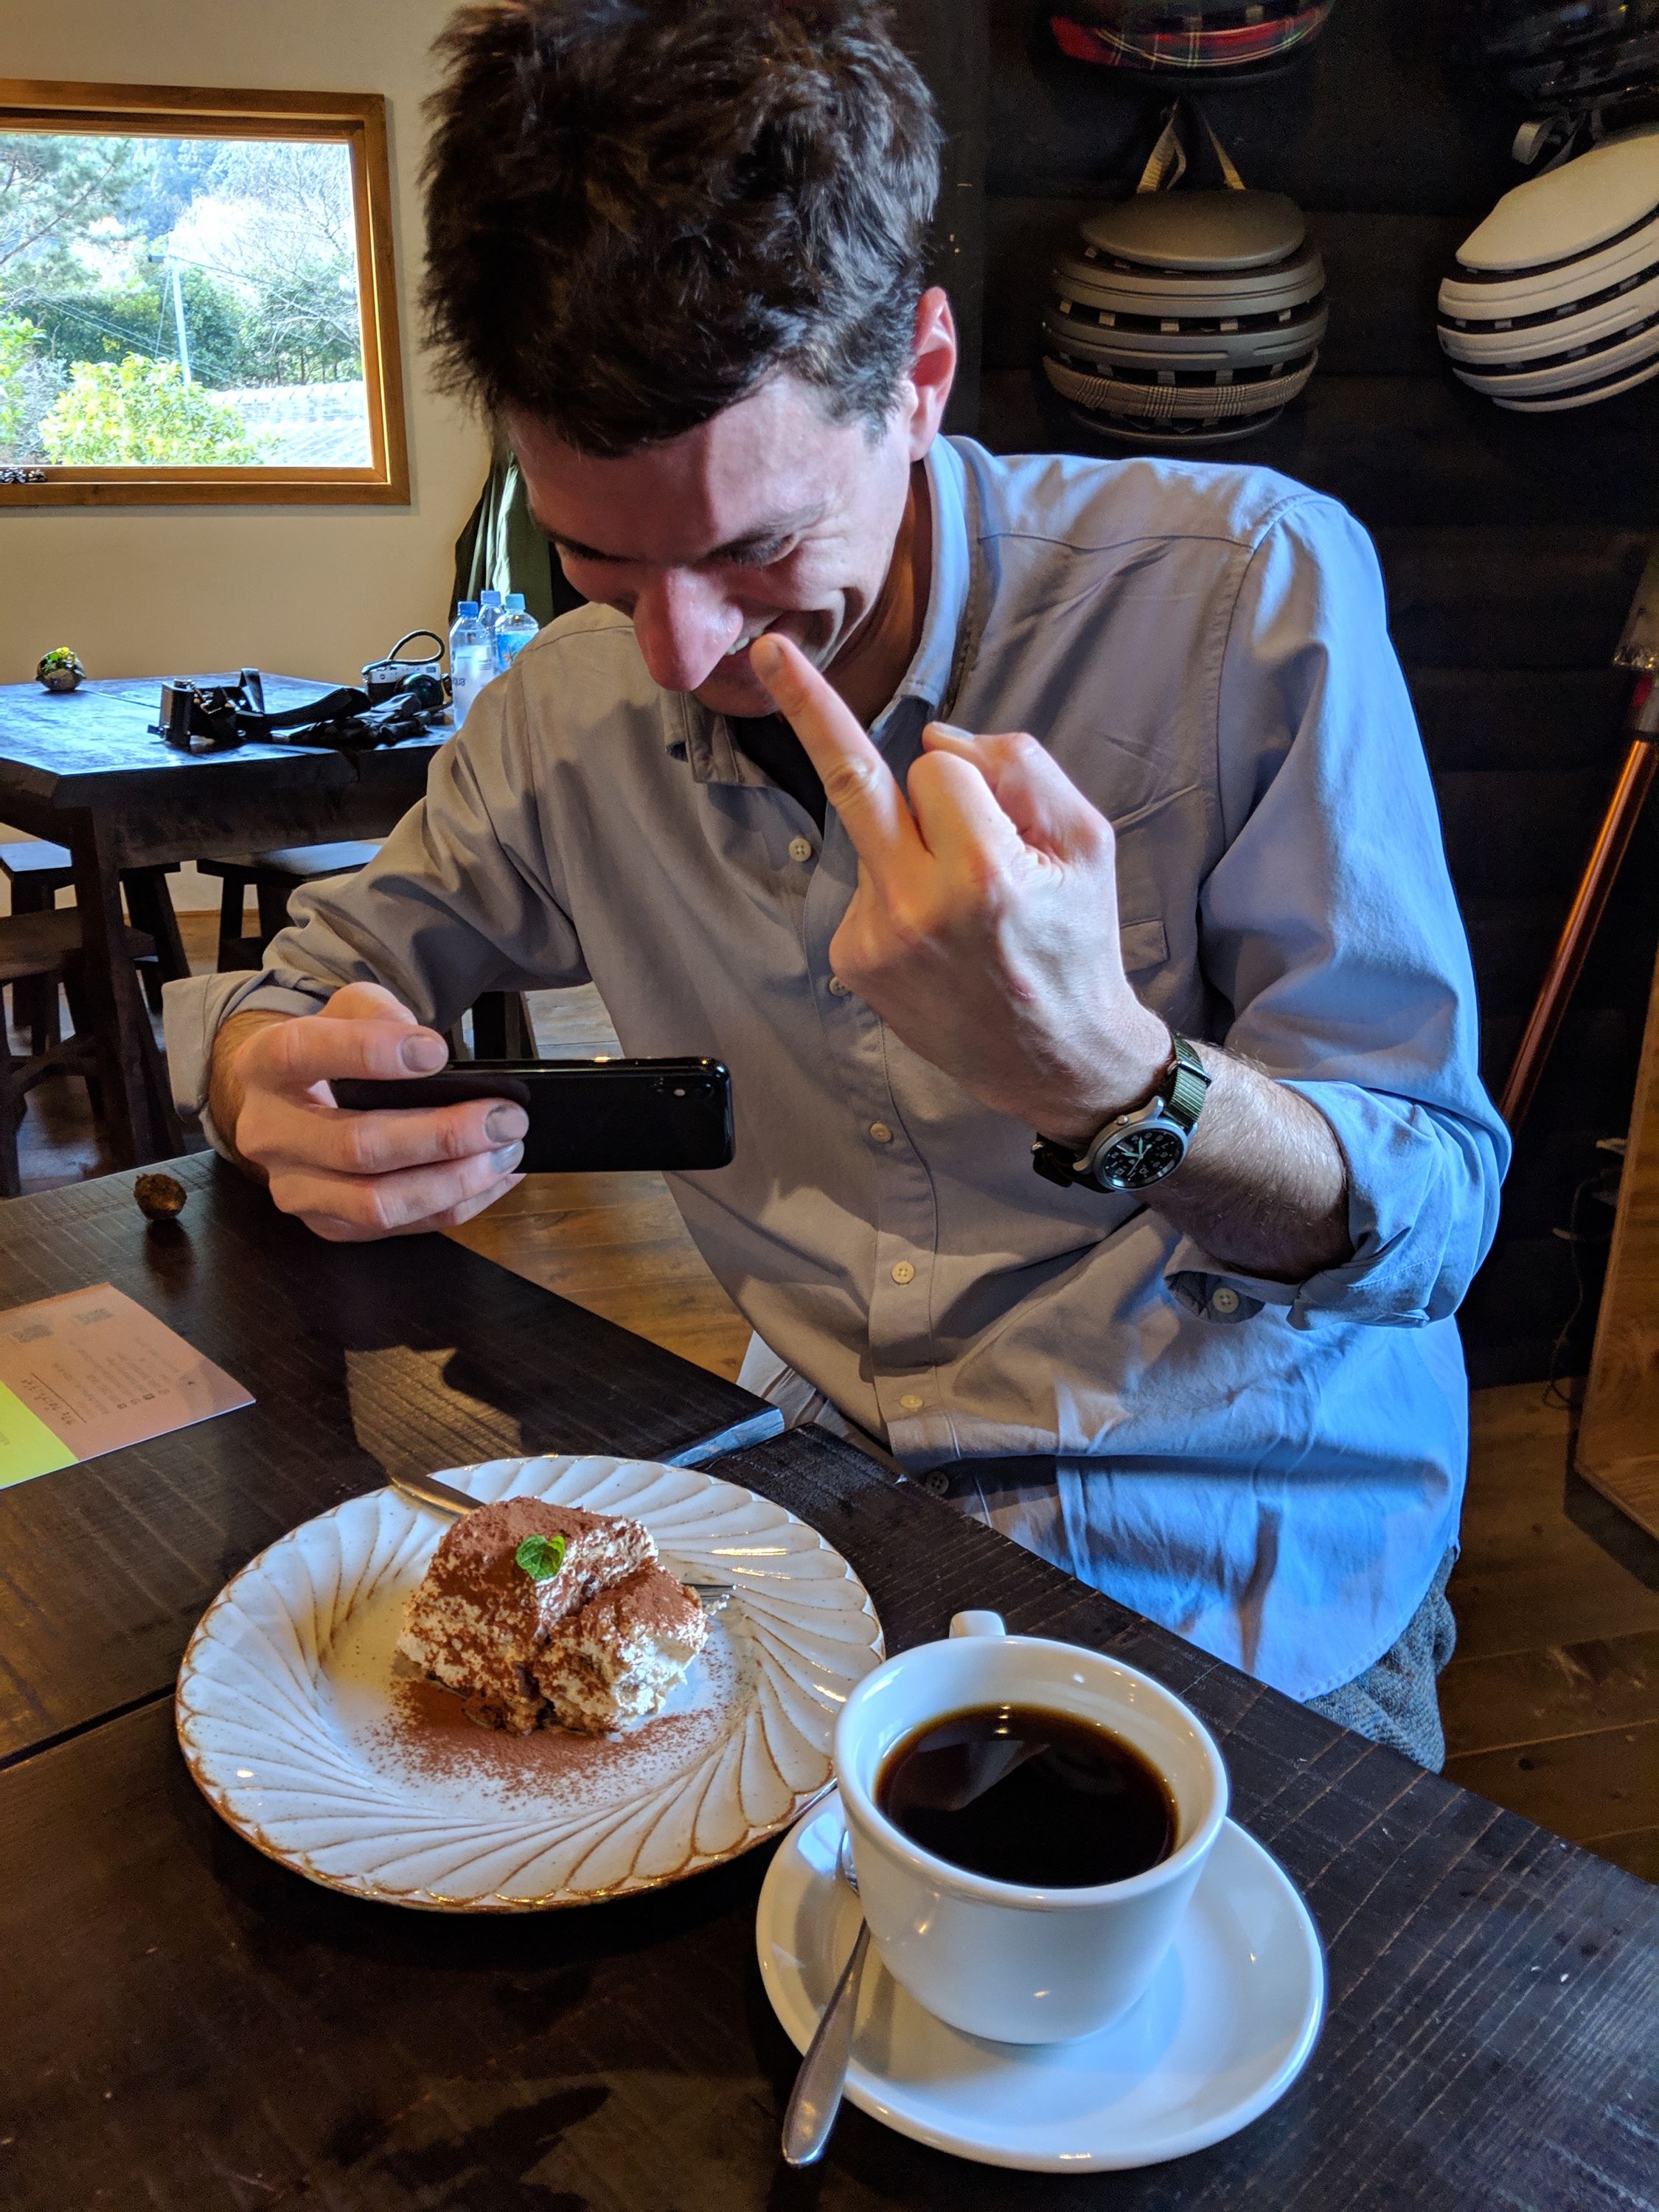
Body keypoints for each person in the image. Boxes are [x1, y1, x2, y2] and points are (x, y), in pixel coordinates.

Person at [164, 0, 1508, 1768]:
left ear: (924, 375)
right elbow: (299, 987)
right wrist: (268, 1081)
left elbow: (1434, 1220)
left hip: (1247, 1566)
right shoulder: (562, 709)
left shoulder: (1245, 597)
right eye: (597, 555)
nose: (680, 646)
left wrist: (1117, 1078)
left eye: (756, 547)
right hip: (819, 1521)